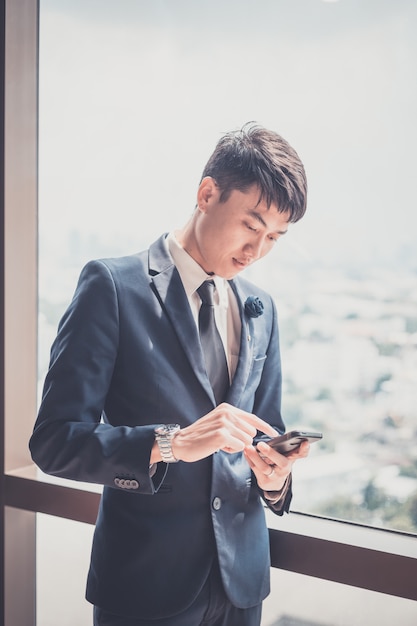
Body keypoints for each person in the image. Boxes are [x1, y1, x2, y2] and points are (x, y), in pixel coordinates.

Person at [29, 122, 310, 626]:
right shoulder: (112, 286)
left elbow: (263, 434)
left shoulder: (260, 308)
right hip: (145, 584)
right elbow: (54, 442)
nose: (257, 251)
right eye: (252, 225)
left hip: (242, 587)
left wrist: (275, 479)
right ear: (207, 194)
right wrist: (170, 444)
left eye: (275, 237)